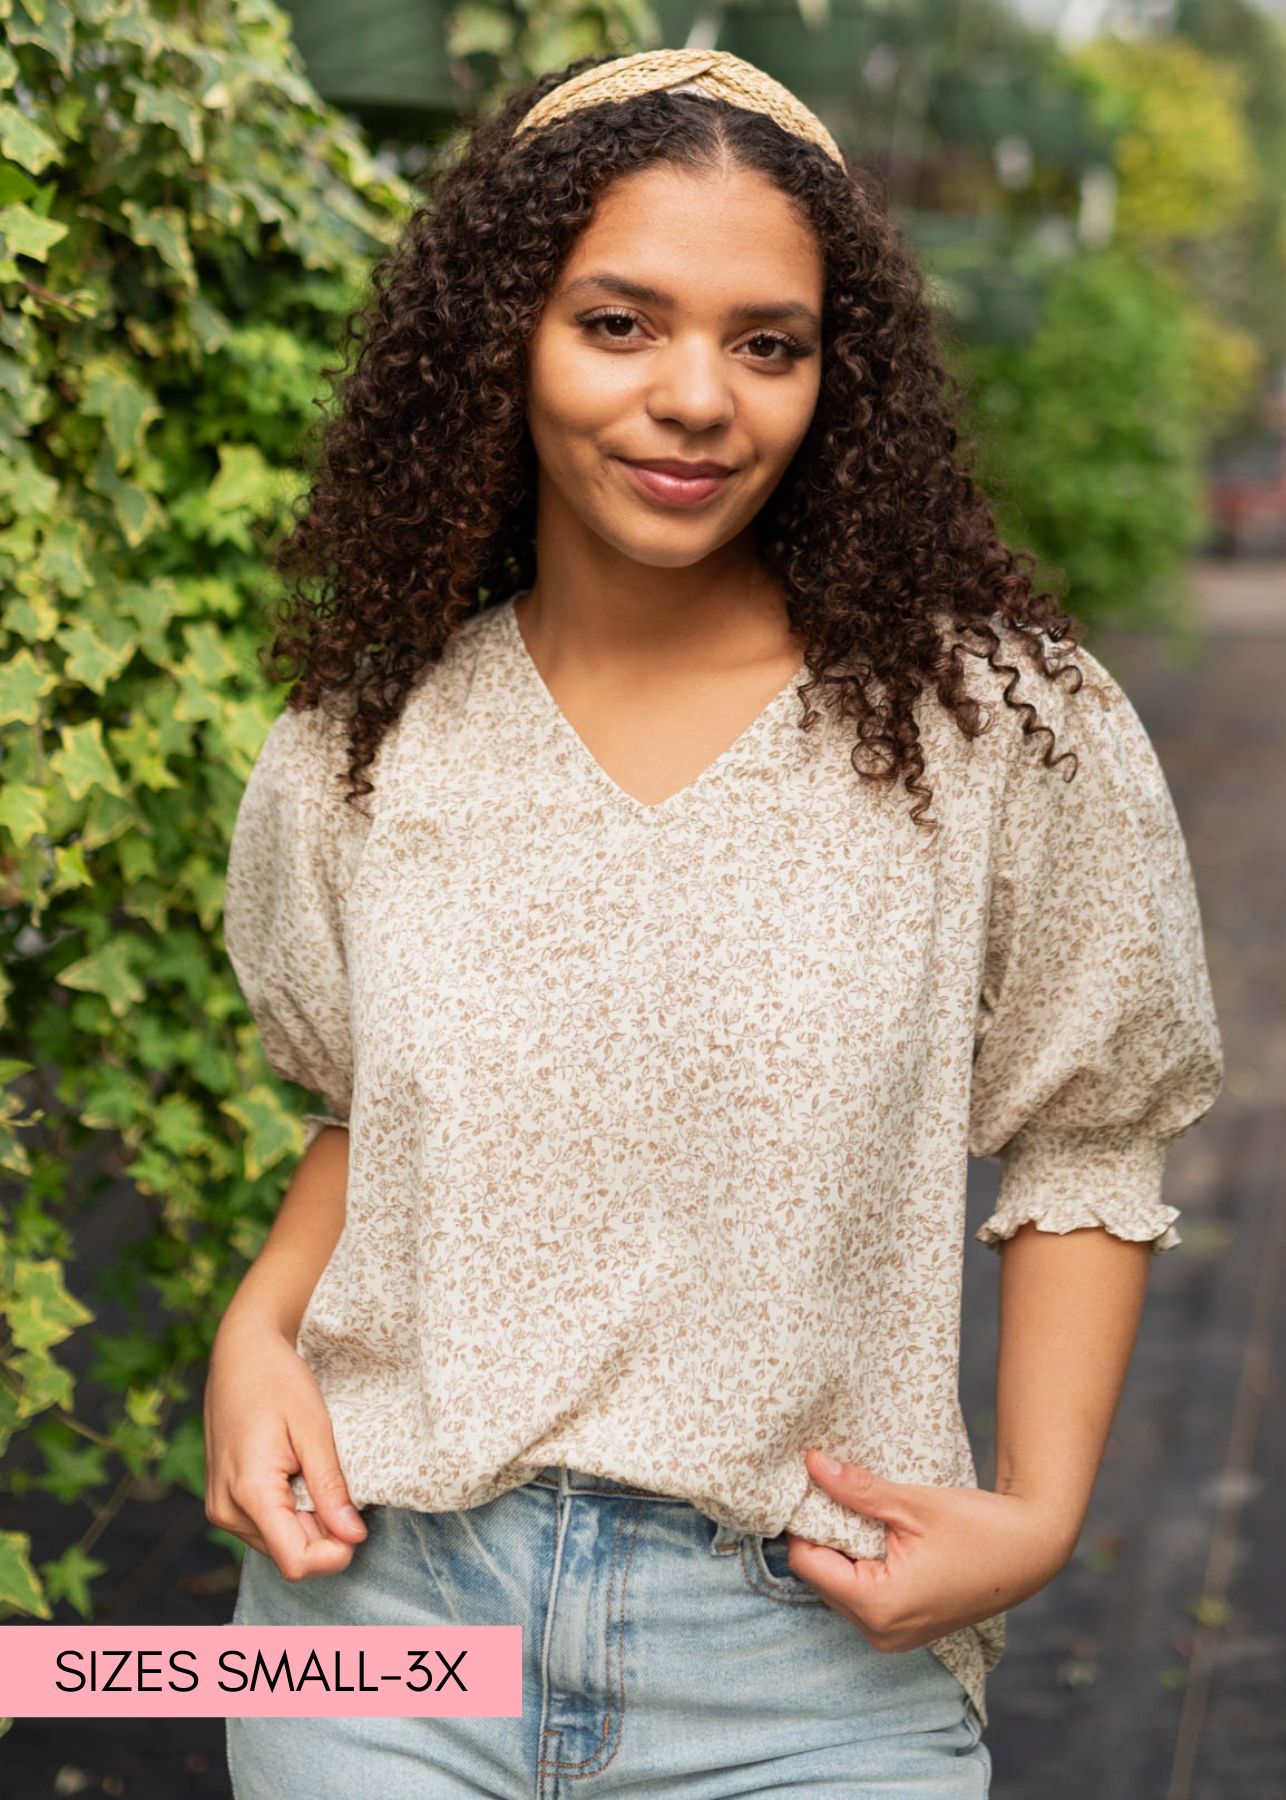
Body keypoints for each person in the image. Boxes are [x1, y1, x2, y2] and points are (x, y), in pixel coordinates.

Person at [209, 46, 1224, 1799]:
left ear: (839, 378)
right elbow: (368, 1118)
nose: (699, 396)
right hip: (373, 1626)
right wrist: (251, 1333)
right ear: (497, 338)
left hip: (804, 1662)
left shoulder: (999, 732)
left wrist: (1041, 1515)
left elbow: (1087, 1133)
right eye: (618, 322)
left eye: (769, 342)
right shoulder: (360, 749)